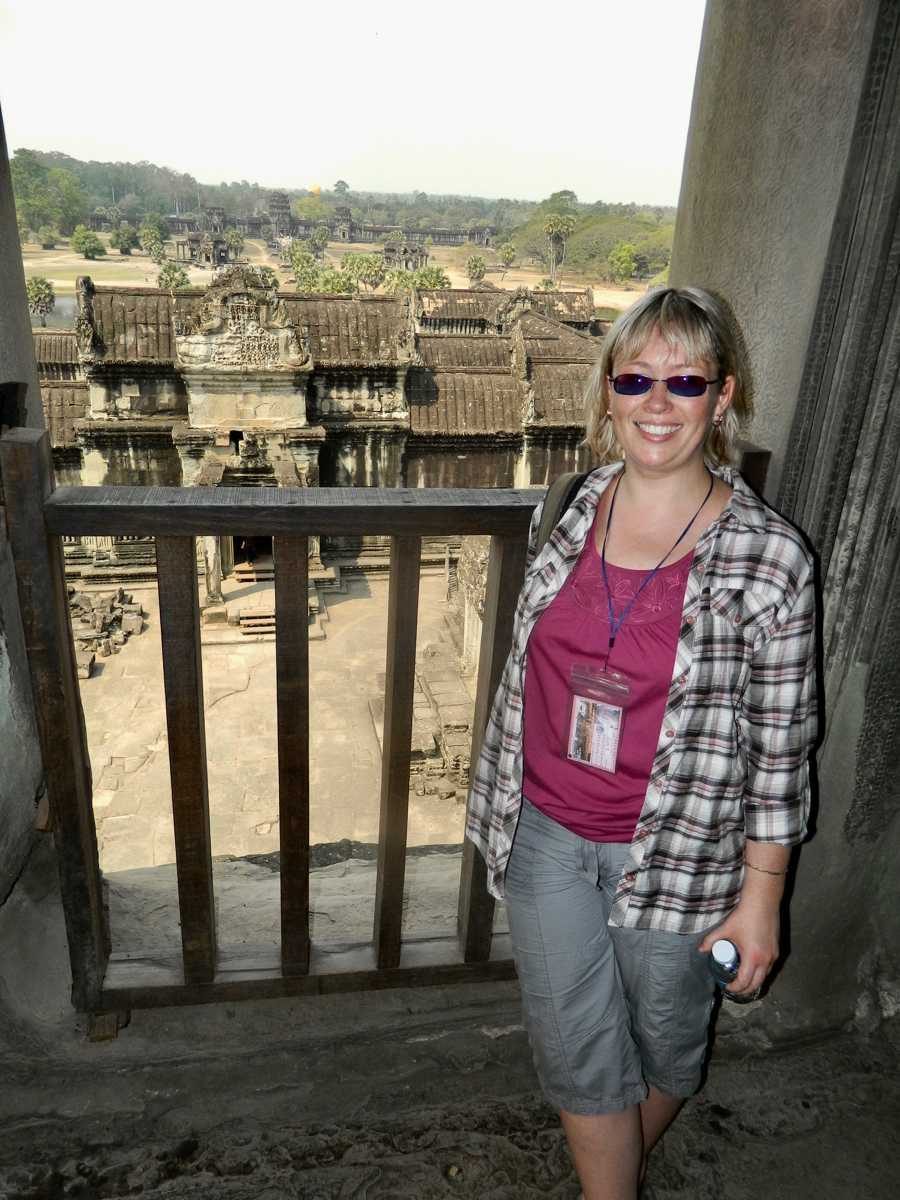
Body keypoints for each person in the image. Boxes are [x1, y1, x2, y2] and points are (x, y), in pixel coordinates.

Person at [465, 287, 817, 1199]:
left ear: (723, 396)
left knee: (665, 1043)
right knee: (577, 1047)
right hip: (544, 828)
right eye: (636, 378)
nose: (657, 403)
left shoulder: (771, 559)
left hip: (681, 853)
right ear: (608, 392)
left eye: (685, 380)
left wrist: (763, 901)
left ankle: (614, 1159)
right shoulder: (573, 507)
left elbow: (780, 751)